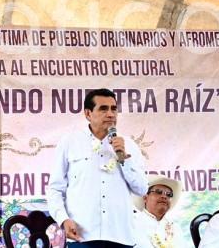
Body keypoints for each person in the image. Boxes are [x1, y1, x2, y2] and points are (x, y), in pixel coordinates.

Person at [47, 88, 148, 248]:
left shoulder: (129, 145)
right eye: (103, 109)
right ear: (88, 114)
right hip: (82, 235)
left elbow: (142, 189)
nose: (110, 114)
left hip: (120, 236)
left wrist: (123, 158)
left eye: (114, 109)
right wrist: (63, 219)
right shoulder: (70, 142)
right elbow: (55, 189)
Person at [130, 176, 181, 248]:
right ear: (145, 198)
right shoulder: (132, 223)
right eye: (158, 192)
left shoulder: (175, 228)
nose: (164, 196)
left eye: (169, 194)